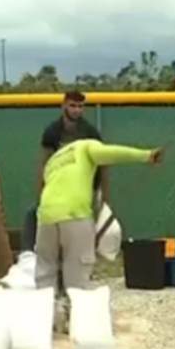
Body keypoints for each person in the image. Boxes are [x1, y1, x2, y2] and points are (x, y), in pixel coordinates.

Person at [36, 139, 161, 291]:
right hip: (75, 213)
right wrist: (146, 155)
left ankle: (45, 307)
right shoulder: (85, 146)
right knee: (78, 270)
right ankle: (78, 307)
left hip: (46, 215)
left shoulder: (52, 161)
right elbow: (111, 153)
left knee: (45, 268)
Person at [24, 90, 107, 256]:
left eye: (80, 107)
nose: (76, 110)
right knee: (33, 213)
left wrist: (99, 193)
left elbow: (101, 163)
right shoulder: (53, 132)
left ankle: (82, 257)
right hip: (57, 185)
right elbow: (44, 162)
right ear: (64, 106)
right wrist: (41, 192)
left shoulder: (90, 133)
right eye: (72, 106)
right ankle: (29, 254)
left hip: (82, 186)